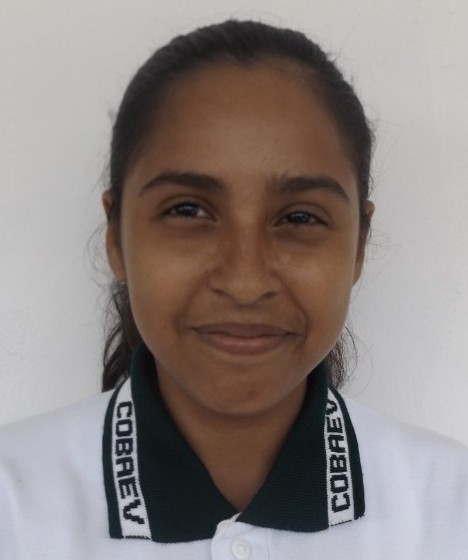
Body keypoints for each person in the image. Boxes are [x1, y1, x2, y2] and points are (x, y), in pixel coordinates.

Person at [0, 19, 467, 560]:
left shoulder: (450, 506)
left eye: (299, 217)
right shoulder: (14, 506)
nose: (245, 282)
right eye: (188, 210)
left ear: (358, 246)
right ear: (116, 236)